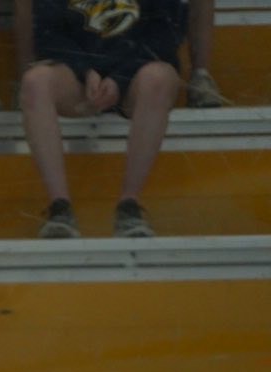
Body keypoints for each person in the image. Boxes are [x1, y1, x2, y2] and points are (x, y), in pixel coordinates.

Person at [20, 0, 183, 239]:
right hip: (78, 78)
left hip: (136, 73)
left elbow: (166, 33)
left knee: (159, 78)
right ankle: (59, 207)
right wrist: (84, 70)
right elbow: (46, 33)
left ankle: (130, 205)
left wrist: (120, 77)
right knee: (35, 82)